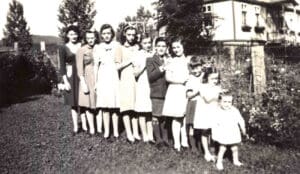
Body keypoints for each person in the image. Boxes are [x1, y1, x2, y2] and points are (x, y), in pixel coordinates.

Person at [58, 24, 87, 134]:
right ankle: (76, 126)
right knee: (73, 102)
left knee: (83, 101)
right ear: (67, 35)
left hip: (82, 75)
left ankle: (85, 125)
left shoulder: (82, 45)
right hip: (71, 76)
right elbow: (62, 66)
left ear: (78, 34)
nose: (73, 36)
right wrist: (65, 81)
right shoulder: (63, 48)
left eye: (75, 33)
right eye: (71, 34)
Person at [94, 24, 121, 139]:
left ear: (112, 34)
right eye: (104, 33)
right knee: (105, 106)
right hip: (103, 76)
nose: (106, 36)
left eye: (108, 33)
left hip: (114, 75)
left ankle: (115, 131)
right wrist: (96, 82)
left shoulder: (117, 45)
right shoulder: (98, 47)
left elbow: (120, 62)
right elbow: (96, 65)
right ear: (101, 35)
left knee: (114, 105)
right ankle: (107, 130)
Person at [162, 37, 189, 152]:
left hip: (186, 91)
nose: (176, 49)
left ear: (183, 47)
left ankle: (185, 141)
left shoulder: (188, 60)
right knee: (176, 117)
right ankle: (177, 143)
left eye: (178, 47)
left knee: (184, 117)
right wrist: (181, 81)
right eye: (174, 47)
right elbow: (168, 78)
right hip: (175, 90)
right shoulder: (171, 61)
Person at [116, 24, 139, 143]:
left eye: (133, 35)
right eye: (129, 35)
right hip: (125, 79)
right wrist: (130, 61)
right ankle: (129, 133)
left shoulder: (137, 47)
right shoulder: (120, 48)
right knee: (126, 107)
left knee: (134, 106)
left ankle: (136, 132)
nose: (131, 37)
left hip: (136, 79)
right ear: (125, 34)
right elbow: (117, 66)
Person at [212, 92, 246, 170]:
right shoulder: (218, 111)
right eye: (225, 102)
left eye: (229, 102)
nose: (227, 104)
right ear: (220, 102)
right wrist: (215, 134)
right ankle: (219, 162)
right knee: (222, 148)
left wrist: (243, 128)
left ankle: (236, 160)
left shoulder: (234, 110)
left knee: (234, 148)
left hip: (233, 132)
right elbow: (214, 123)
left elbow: (240, 119)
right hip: (223, 132)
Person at [146, 37, 171, 146]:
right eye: (159, 46)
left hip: (167, 92)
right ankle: (158, 139)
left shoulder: (169, 59)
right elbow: (150, 76)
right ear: (155, 47)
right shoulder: (150, 60)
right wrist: (162, 68)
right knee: (156, 116)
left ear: (167, 48)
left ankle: (165, 138)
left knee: (164, 116)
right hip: (156, 92)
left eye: (163, 46)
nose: (161, 48)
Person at [194, 68, 222, 161]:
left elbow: (220, 100)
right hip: (205, 112)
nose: (215, 81)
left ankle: (213, 151)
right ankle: (206, 152)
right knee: (205, 131)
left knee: (213, 131)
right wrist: (218, 94)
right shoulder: (203, 86)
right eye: (213, 78)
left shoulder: (218, 87)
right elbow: (207, 99)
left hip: (214, 111)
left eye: (216, 78)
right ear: (207, 78)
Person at [133, 33, 154, 143]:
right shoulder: (138, 54)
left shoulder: (153, 53)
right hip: (142, 83)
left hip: (152, 84)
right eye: (145, 43)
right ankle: (144, 134)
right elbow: (135, 73)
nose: (147, 45)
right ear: (141, 43)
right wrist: (145, 65)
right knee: (142, 110)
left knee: (149, 110)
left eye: (149, 43)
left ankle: (151, 135)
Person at [76, 30, 98, 135]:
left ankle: (100, 127)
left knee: (98, 102)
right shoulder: (81, 50)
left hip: (98, 76)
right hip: (87, 78)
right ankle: (92, 128)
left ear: (95, 38)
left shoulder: (98, 48)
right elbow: (80, 69)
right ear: (85, 39)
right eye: (88, 38)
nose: (90, 40)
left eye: (92, 37)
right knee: (88, 103)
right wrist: (83, 83)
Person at [185, 56, 205, 152]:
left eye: (198, 67)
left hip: (203, 104)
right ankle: (193, 146)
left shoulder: (205, 76)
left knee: (201, 126)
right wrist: (198, 91)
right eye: (193, 68)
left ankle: (201, 144)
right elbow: (189, 95)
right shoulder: (190, 78)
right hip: (193, 103)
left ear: (202, 66)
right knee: (192, 126)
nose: (196, 70)